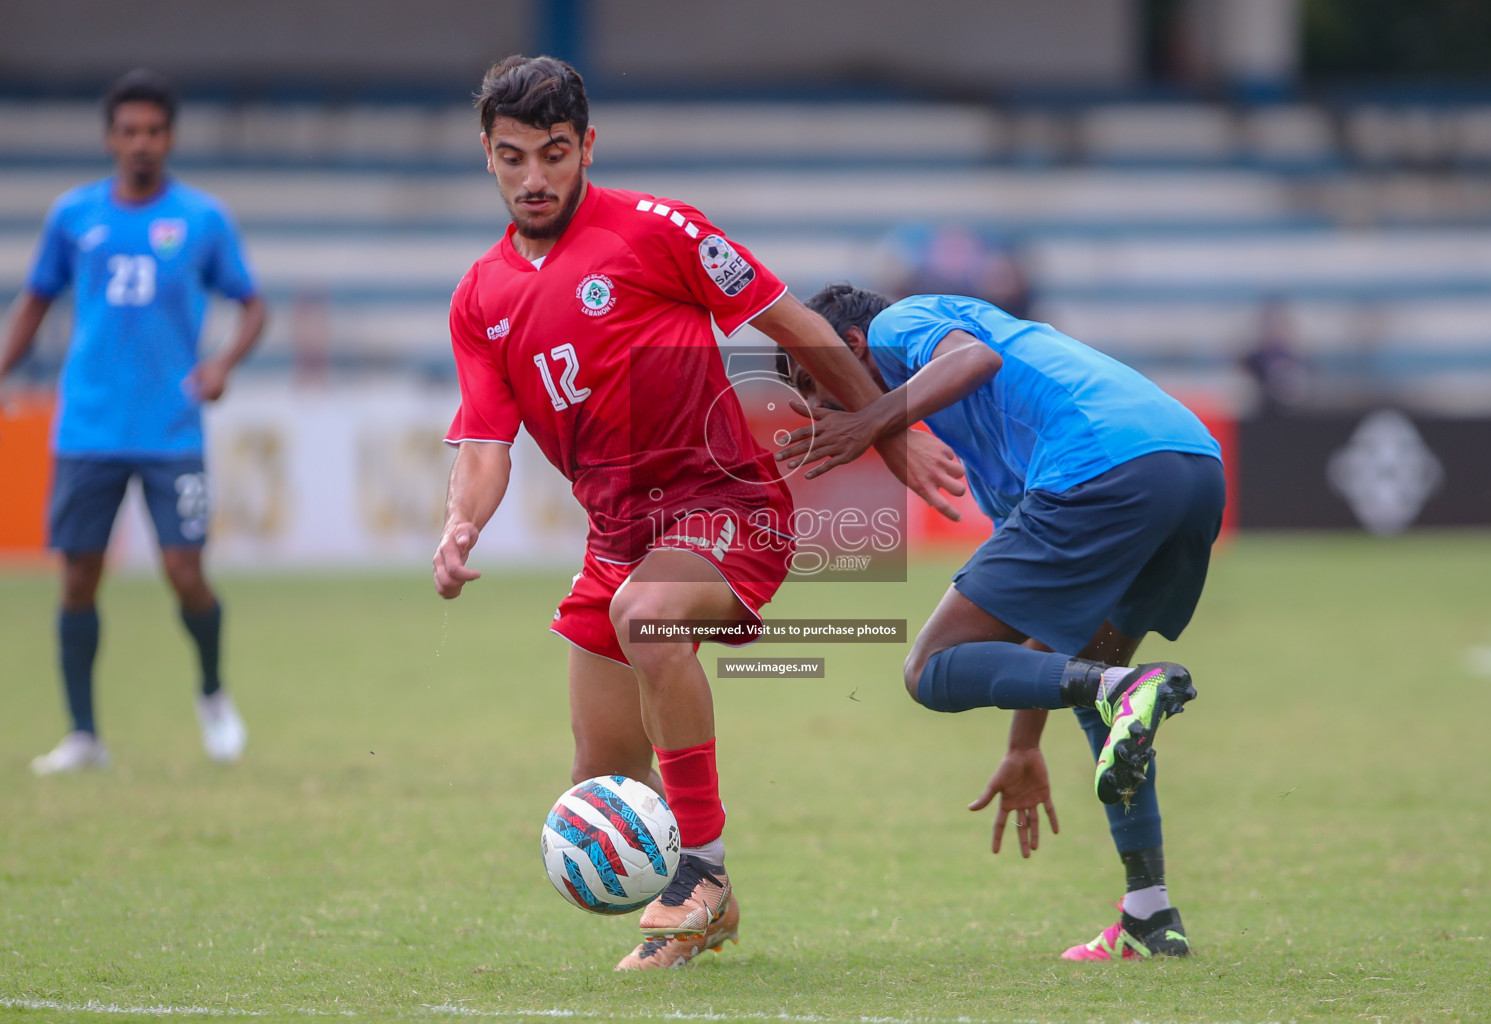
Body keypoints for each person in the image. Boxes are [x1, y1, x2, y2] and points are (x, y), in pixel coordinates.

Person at [431, 56, 965, 971]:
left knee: (650, 615)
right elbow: (486, 444)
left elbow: (793, 323)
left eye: (554, 154)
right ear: (486, 155)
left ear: (586, 147)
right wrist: (461, 524)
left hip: (728, 506)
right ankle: (700, 912)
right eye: (513, 156)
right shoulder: (480, 297)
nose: (534, 178)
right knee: (605, 796)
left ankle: (704, 873)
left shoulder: (656, 229)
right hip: (617, 538)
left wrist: (887, 430)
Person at [779, 285, 1225, 961]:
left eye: (813, 382)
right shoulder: (993, 442)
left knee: (929, 669)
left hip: (1100, 462)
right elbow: (1043, 630)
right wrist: (1023, 745)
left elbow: (973, 359)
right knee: (1101, 683)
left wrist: (869, 425)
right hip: (1191, 467)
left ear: (851, 346)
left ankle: (1125, 693)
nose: (816, 409)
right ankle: (1150, 913)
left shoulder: (902, 320)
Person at [0, 69, 266, 774]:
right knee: (79, 578)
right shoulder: (73, 217)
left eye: (154, 131)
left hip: (171, 432)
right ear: (111, 137)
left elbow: (252, 304)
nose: (142, 142)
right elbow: (35, 301)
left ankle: (212, 694)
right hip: (87, 428)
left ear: (169, 138)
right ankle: (84, 734)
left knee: (185, 571)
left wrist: (221, 365)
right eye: (130, 131)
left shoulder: (202, 220)